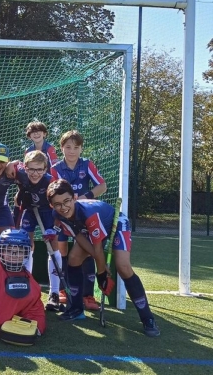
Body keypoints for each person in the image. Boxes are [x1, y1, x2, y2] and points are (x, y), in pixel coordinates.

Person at [47, 179, 160, 337]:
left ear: (74, 197)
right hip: (87, 229)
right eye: (57, 204)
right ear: (52, 205)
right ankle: (76, 310)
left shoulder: (88, 213)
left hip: (116, 223)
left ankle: (147, 318)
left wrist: (101, 275)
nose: (63, 207)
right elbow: (79, 237)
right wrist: (102, 267)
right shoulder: (58, 215)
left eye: (66, 201)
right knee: (73, 259)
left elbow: (97, 248)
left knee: (123, 267)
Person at [50, 130, 107, 310]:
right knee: (62, 250)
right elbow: (51, 193)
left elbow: (102, 186)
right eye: (68, 147)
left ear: (81, 148)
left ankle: (88, 295)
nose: (72, 151)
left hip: (83, 215)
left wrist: (84, 197)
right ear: (62, 148)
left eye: (76, 147)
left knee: (86, 251)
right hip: (62, 215)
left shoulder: (87, 164)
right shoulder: (55, 168)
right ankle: (63, 290)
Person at [13, 150, 63, 312]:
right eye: (31, 169)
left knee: (52, 247)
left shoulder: (51, 182)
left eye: (39, 169)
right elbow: (10, 167)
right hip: (29, 210)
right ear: (25, 167)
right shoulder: (20, 174)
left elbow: (60, 207)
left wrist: (54, 228)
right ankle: (26, 287)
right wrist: (19, 196)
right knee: (27, 245)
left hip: (49, 212)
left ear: (45, 168)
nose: (35, 173)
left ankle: (54, 293)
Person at [14, 121, 58, 227]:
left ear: (44, 134)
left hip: (45, 184)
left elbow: (54, 168)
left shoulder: (49, 148)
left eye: (39, 131)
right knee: (19, 201)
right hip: (32, 183)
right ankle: (14, 224)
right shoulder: (28, 150)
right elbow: (25, 168)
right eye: (33, 132)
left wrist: (52, 184)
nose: (36, 134)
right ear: (29, 136)